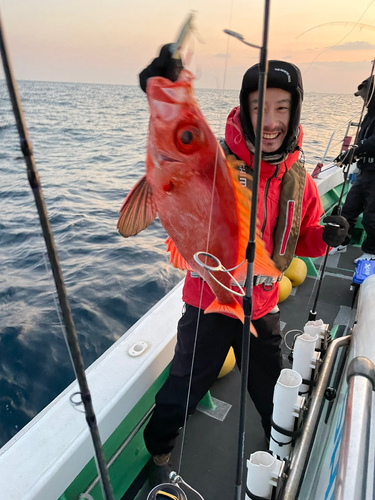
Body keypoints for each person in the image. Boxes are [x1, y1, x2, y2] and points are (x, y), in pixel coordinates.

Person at [138, 46, 349, 466]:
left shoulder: (299, 181)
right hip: (208, 303)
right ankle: (158, 445)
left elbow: (302, 238)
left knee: (272, 391)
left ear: (294, 114)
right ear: (244, 110)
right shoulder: (214, 162)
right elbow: (177, 152)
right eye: (259, 107)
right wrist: (157, 88)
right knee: (183, 388)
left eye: (282, 109)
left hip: (261, 306)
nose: (271, 121)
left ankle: (280, 456)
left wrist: (325, 236)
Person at [330, 76, 375, 262]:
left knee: (372, 217)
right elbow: (362, 141)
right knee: (349, 209)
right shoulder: (369, 116)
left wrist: (359, 148)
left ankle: (372, 253)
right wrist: (350, 154)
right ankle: (341, 241)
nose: (363, 101)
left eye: (366, 97)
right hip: (365, 170)